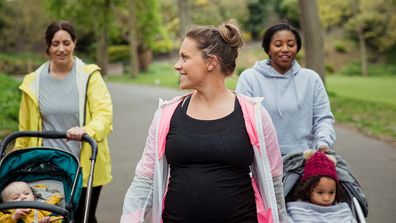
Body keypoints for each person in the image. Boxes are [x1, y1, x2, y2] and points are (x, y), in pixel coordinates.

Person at [121, 21, 286, 223]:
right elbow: (145, 180)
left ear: (211, 62)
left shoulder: (255, 116)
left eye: (185, 57)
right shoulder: (167, 115)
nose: (177, 65)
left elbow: (274, 182)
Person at [14, 20, 113, 223]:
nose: (61, 49)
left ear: (74, 43)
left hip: (84, 164)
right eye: (55, 43)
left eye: (66, 43)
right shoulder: (33, 82)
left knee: (83, 217)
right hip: (47, 167)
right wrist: (17, 165)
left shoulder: (89, 77)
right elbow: (24, 129)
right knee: (49, 218)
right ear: (48, 46)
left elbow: (104, 114)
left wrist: (87, 130)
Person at [236, 23, 335, 155]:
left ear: (297, 48)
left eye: (291, 44)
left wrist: (323, 144)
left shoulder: (311, 79)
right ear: (268, 49)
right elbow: (242, 120)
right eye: (278, 44)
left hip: (306, 156)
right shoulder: (250, 78)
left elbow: (323, 118)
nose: (285, 49)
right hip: (264, 159)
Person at [286, 150, 357, 222]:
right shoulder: (296, 210)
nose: (326, 198)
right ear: (307, 190)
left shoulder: (342, 212)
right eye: (320, 192)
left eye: (331, 192)